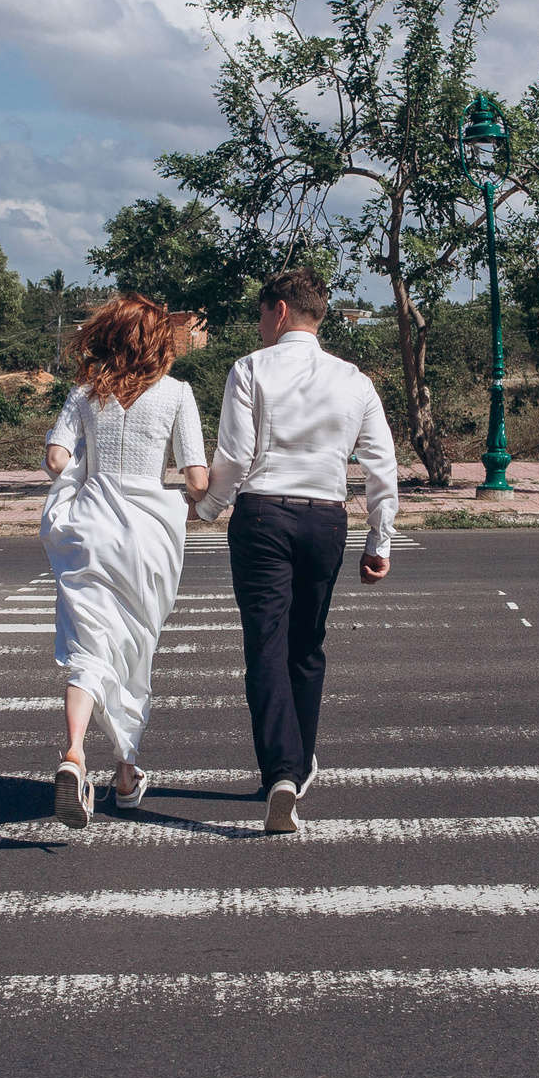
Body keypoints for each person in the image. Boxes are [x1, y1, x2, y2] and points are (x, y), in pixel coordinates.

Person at [191, 268, 397, 833]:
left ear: (279, 310)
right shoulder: (354, 379)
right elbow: (381, 465)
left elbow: (233, 457)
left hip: (262, 517)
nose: (259, 325)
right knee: (307, 645)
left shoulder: (250, 369)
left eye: (261, 314)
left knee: (266, 645)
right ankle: (300, 766)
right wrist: (379, 538)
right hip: (326, 521)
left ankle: (281, 772)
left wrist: (206, 509)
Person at [41, 295, 210, 829]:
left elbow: (55, 459)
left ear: (108, 336)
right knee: (135, 648)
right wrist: (192, 504)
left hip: (92, 525)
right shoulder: (179, 395)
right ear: (161, 341)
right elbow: (197, 480)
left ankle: (73, 753)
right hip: (148, 537)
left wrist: (81, 468)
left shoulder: (84, 394)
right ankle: (124, 772)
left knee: (89, 644)